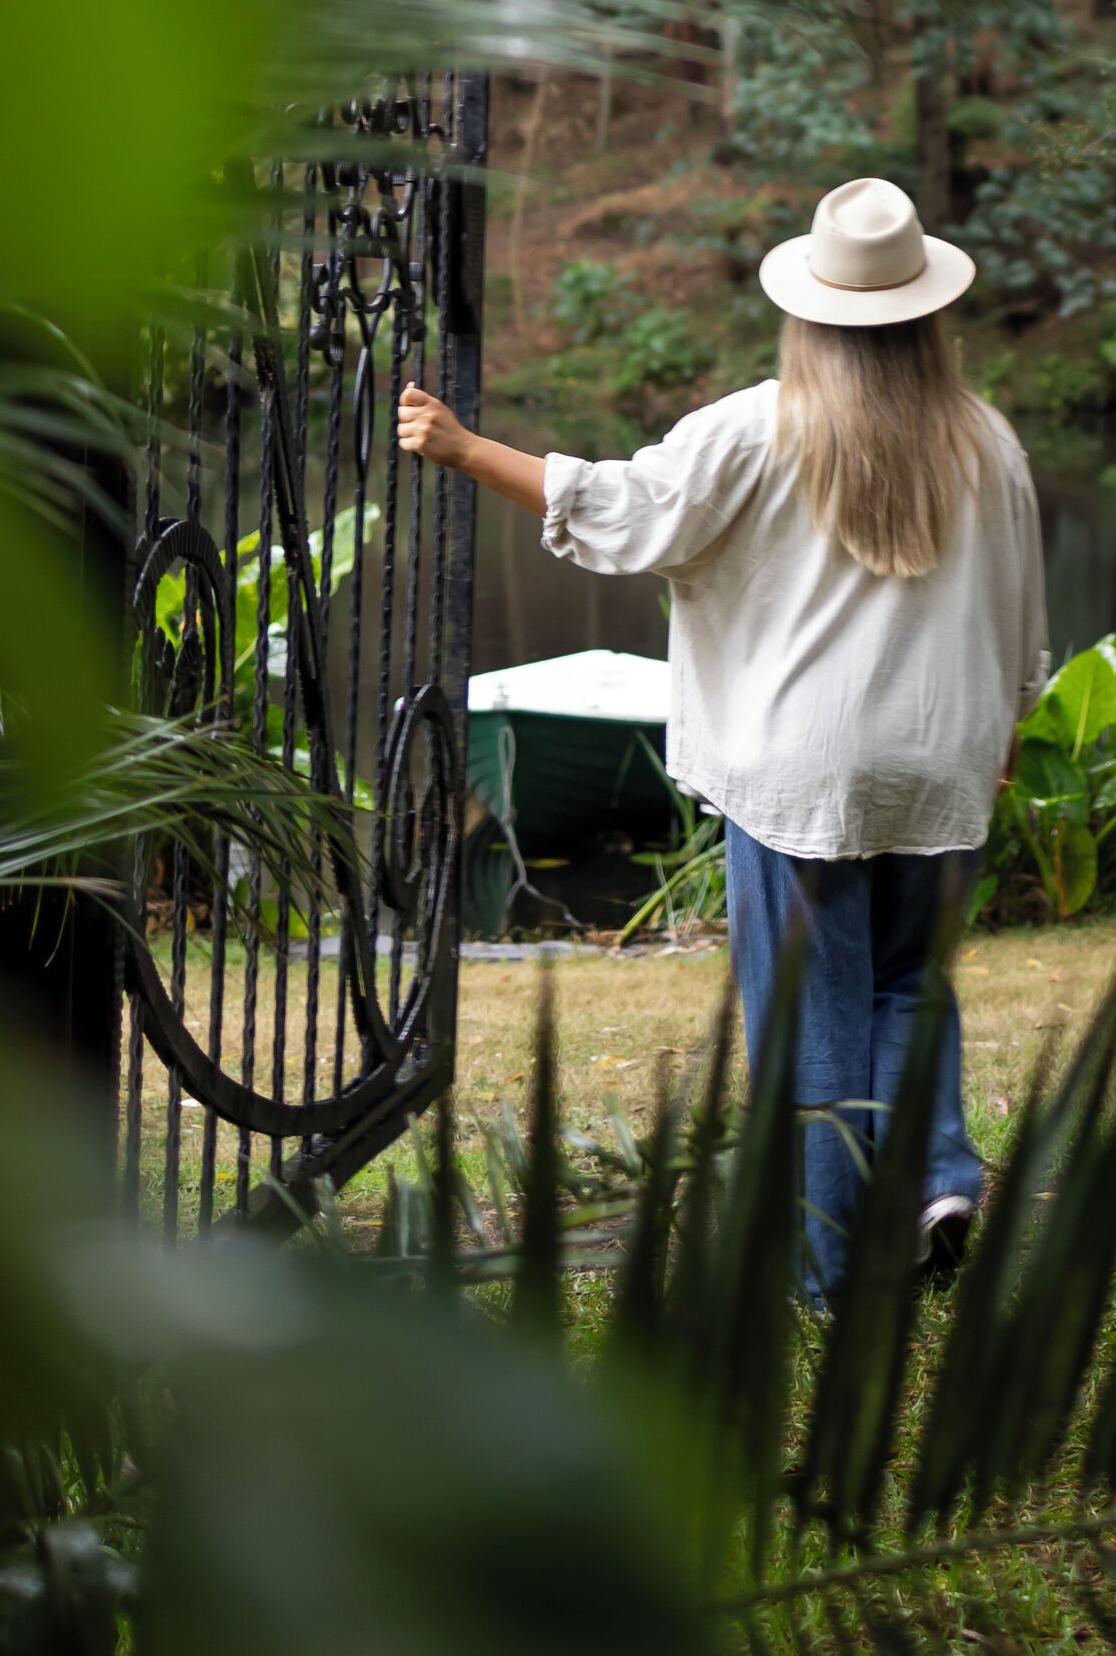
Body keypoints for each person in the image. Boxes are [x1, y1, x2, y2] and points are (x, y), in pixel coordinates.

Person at [398, 175, 1048, 1294]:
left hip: (802, 773)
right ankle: (937, 1170)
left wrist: (465, 451)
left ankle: (832, 1268)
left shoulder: (761, 427)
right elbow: (1019, 616)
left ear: (809, 311)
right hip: (942, 763)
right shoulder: (988, 443)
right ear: (927, 313)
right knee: (907, 983)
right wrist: (1005, 735)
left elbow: (623, 510)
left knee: (813, 1011)